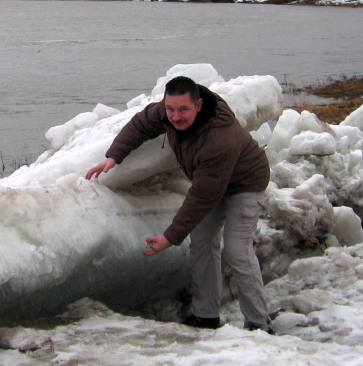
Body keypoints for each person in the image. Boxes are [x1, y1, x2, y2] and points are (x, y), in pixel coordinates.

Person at [85, 75, 272, 331]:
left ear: (198, 106)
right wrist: (114, 156)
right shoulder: (167, 111)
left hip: (245, 184)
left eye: (183, 109)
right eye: (171, 109)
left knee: (238, 251)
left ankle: (259, 323)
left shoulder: (219, 138)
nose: (176, 116)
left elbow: (203, 197)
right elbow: (140, 124)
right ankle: (206, 316)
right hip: (210, 181)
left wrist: (170, 237)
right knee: (202, 243)